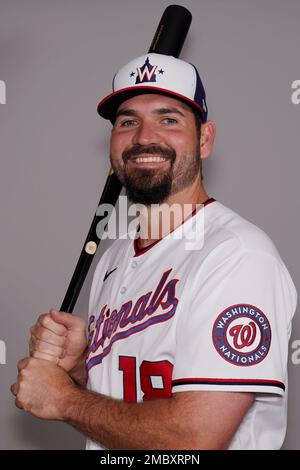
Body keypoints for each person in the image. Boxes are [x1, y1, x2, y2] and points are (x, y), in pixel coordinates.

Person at [11, 53, 297, 450]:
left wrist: (63, 398)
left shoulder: (237, 255)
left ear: (205, 139)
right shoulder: (114, 257)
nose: (144, 137)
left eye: (168, 119)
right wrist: (81, 368)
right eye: (128, 121)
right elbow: (129, 400)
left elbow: (195, 439)